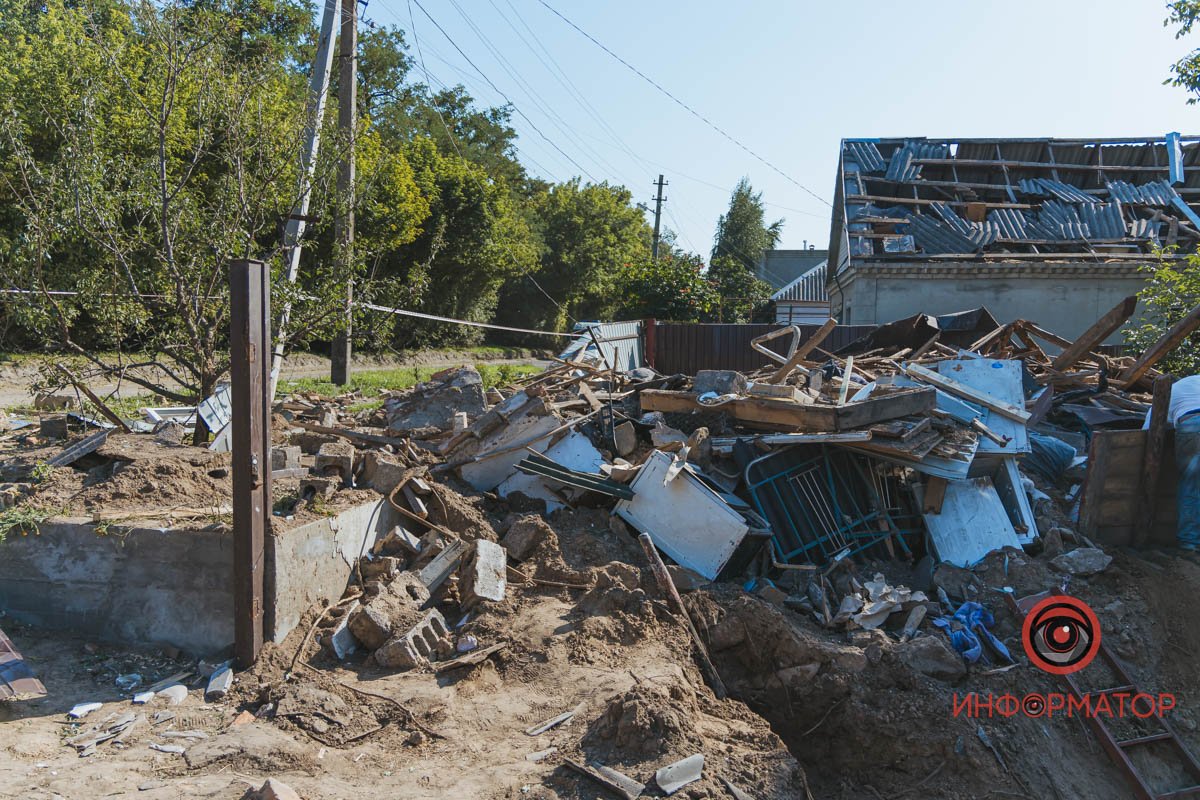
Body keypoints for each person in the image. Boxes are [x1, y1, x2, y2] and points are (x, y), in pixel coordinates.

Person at [1144, 375, 1200, 551]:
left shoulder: (1171, 391)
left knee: (1192, 484)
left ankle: (1190, 542)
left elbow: (1147, 433)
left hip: (1192, 423)